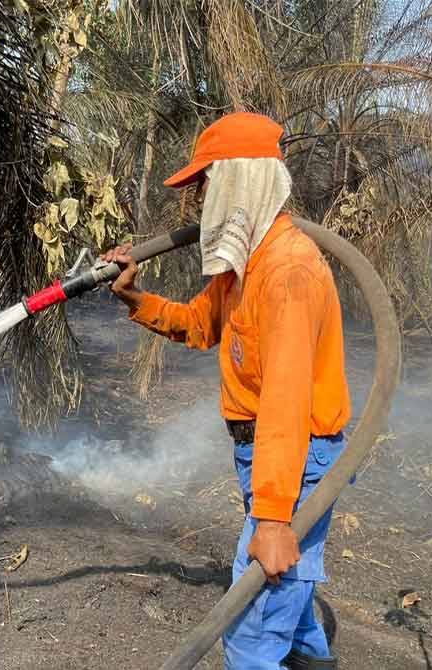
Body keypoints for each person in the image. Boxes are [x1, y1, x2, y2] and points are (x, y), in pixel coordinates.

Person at [102, 112, 350, 670]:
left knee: (250, 632)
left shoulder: (288, 272)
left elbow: (287, 404)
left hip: (294, 459)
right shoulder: (245, 266)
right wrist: (134, 298)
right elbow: (199, 324)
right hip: (267, 455)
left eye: (207, 183)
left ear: (240, 180)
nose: (199, 200)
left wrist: (273, 519)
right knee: (295, 608)